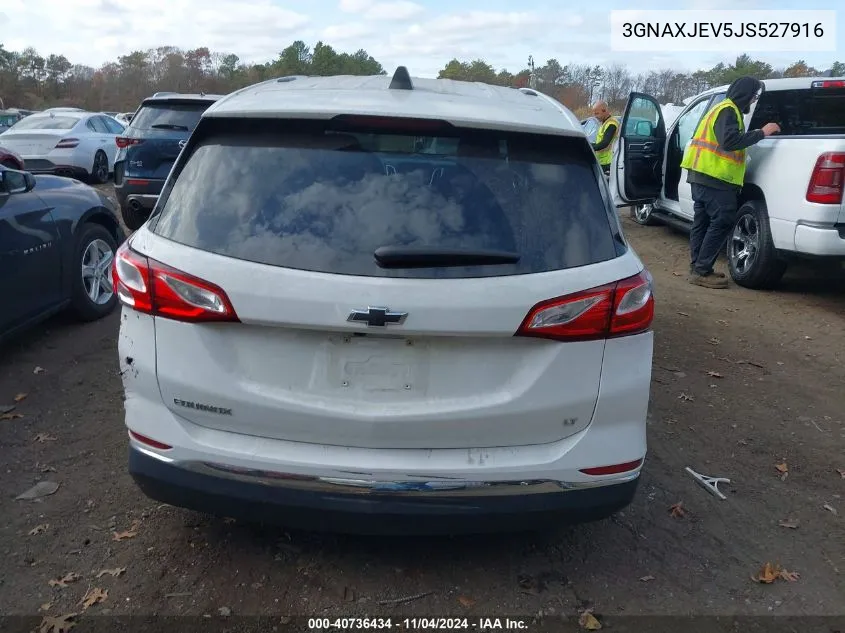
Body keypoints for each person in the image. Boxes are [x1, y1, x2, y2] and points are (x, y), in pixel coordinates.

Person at [680, 76, 781, 289]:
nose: (753, 101)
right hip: (714, 178)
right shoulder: (728, 110)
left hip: (702, 175)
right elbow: (730, 142)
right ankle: (701, 270)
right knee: (722, 220)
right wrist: (762, 132)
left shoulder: (721, 108)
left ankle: (698, 268)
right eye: (753, 96)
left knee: (703, 222)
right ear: (745, 94)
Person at [590, 101, 619, 177]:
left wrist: (589, 147)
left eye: (597, 113)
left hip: (608, 162)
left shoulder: (612, 124)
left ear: (604, 111)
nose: (595, 116)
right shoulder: (605, 123)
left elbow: (604, 143)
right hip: (602, 161)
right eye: (594, 113)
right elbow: (599, 142)